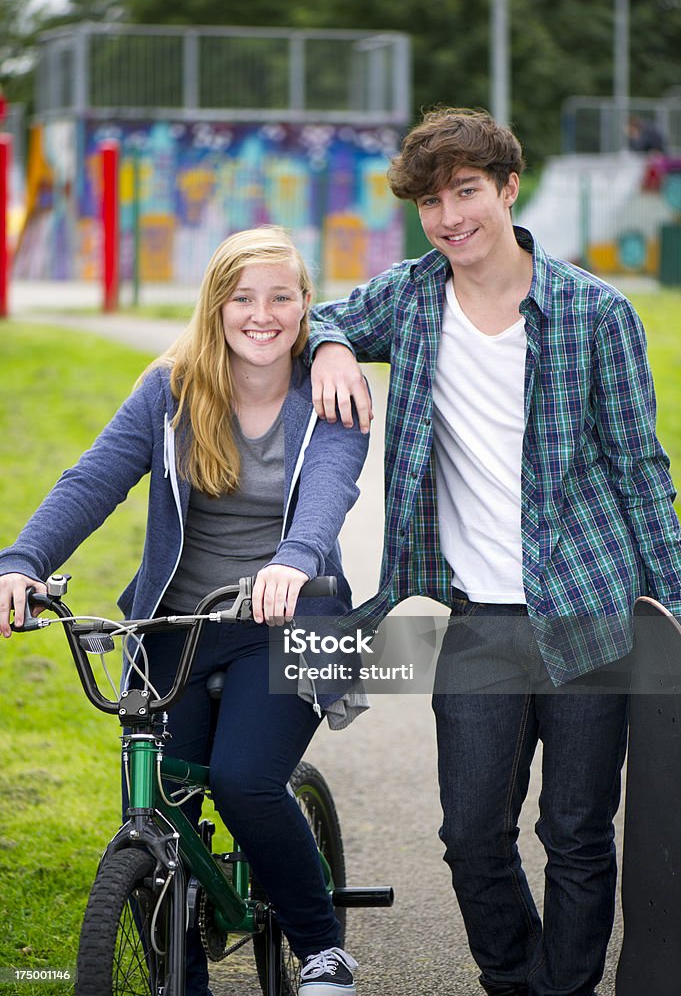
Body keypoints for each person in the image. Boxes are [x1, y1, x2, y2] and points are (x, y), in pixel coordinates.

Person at [307, 108, 681, 996]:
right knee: (470, 834)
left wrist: (675, 599)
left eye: (465, 192)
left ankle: (563, 991)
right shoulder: (407, 296)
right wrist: (328, 344)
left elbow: (640, 470)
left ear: (507, 190)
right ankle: (516, 980)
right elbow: (321, 312)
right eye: (432, 202)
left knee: (577, 834)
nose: (448, 217)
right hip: (475, 621)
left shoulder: (596, 312)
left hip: (592, 609)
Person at [0, 226, 368, 996]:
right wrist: (23, 562)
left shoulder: (328, 391)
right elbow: (92, 480)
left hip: (287, 621)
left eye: (281, 297)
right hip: (180, 624)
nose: (260, 315)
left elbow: (328, 496)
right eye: (242, 298)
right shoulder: (170, 388)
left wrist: (292, 564)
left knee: (244, 780)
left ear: (307, 308)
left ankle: (322, 946)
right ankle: (181, 974)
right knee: (157, 798)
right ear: (216, 305)